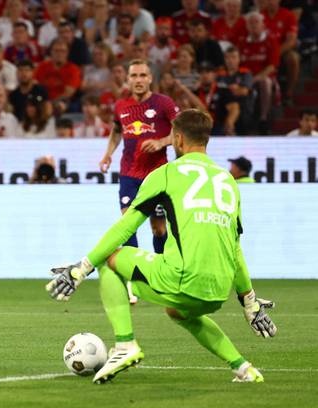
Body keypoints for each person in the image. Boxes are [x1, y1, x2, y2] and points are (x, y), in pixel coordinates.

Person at [47, 108, 276, 384]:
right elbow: (235, 247)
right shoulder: (228, 181)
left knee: (111, 261)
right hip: (218, 290)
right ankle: (244, 368)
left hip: (183, 278)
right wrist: (249, 302)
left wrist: (81, 268)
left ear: (177, 139)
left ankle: (125, 345)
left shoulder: (165, 174)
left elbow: (126, 226)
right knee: (178, 312)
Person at [99, 59, 179, 254]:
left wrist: (161, 142)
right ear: (128, 79)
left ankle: (160, 271)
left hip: (157, 175)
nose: (138, 80)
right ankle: (133, 275)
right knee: (127, 226)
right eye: (134, 75)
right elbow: (117, 130)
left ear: (150, 78)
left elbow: (181, 132)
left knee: (158, 229)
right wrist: (107, 154)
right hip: (129, 174)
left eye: (143, 75)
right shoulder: (121, 105)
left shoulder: (163, 103)